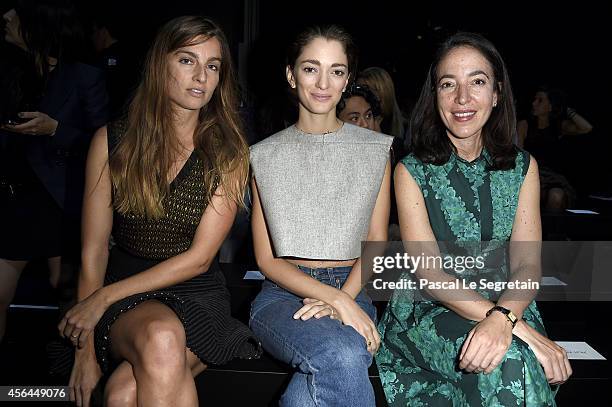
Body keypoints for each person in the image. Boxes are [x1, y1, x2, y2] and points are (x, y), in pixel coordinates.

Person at [57, 16, 261, 407]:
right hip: (127, 298)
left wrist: (100, 299)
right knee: (161, 338)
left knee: (121, 394)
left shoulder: (229, 152)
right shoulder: (111, 141)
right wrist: (83, 352)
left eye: (213, 65)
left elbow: (200, 260)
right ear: (159, 65)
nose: (201, 76)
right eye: (187, 60)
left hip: (197, 293)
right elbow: (93, 252)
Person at [376, 32, 571, 406]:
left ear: (497, 93)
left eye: (477, 82)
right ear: (434, 97)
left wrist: (505, 318)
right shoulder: (411, 171)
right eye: (448, 84)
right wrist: (517, 328)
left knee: (516, 361)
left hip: (509, 302)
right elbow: (429, 275)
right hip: (430, 310)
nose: (462, 99)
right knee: (510, 361)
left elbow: (528, 265)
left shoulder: (522, 167)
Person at [249, 25, 393, 406]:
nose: (324, 83)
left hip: (354, 287)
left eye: (337, 70)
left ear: (347, 80)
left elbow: (377, 240)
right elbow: (267, 260)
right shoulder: (262, 155)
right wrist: (336, 302)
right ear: (290, 74)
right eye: (311, 68)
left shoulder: (375, 149)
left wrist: (343, 298)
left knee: (310, 391)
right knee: (345, 355)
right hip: (283, 296)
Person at [0, 0, 107, 343]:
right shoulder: (9, 70)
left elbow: (106, 143)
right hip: (13, 199)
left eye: (15, 11)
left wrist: (55, 129)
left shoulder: (82, 75)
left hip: (62, 204)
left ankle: (72, 379)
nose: (6, 17)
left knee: (71, 304)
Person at [518, 87, 593, 211]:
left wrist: (567, 110)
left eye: (540, 100)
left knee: (556, 196)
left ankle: (553, 230)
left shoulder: (558, 127)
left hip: (553, 177)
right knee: (531, 195)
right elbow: (519, 155)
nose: (534, 103)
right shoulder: (524, 125)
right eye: (535, 99)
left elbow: (586, 128)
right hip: (532, 175)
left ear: (550, 106)